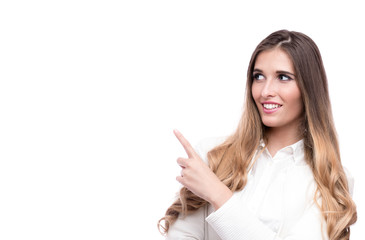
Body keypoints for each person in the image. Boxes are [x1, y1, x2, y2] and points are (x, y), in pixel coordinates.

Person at [158, 30, 357, 240]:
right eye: (258, 76)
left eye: (283, 77)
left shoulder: (330, 179)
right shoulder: (212, 155)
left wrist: (217, 193)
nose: (265, 91)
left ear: (309, 87)